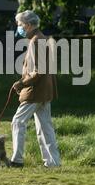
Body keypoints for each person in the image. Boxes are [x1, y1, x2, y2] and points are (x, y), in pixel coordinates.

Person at [10, 10, 61, 168]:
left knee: (18, 121)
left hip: (36, 91)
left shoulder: (36, 41)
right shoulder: (41, 38)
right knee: (45, 127)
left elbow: (39, 70)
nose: (18, 28)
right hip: (45, 91)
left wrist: (21, 83)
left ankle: (17, 160)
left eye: (20, 25)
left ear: (29, 25)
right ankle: (53, 163)